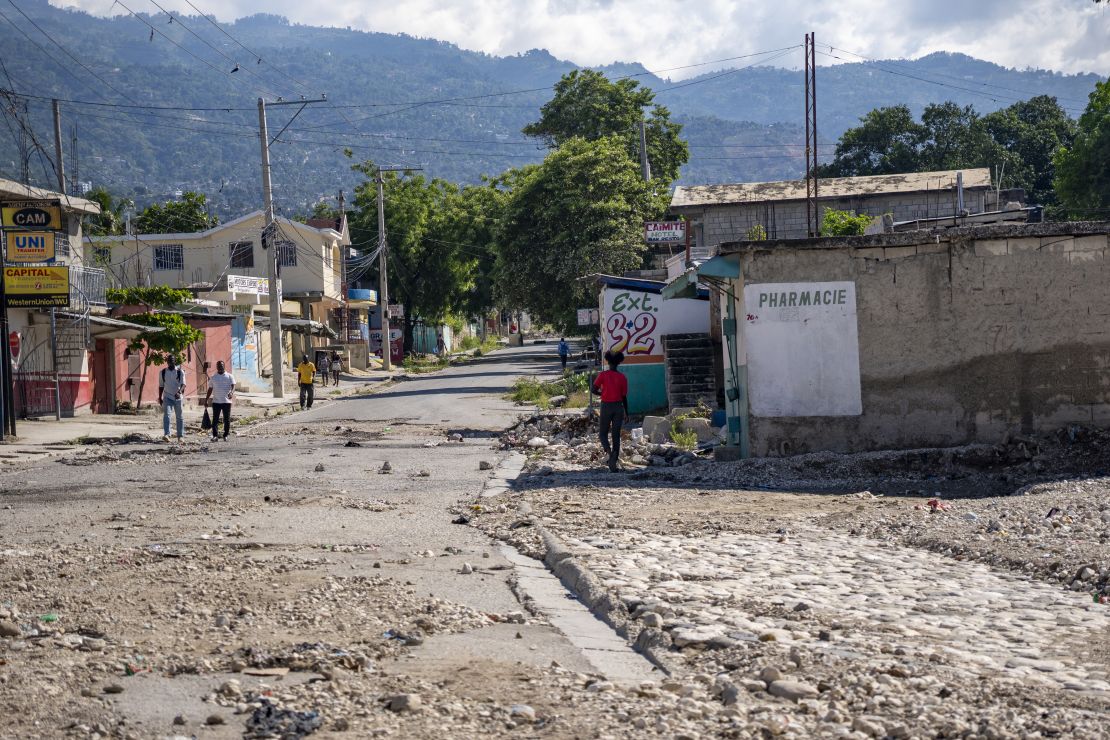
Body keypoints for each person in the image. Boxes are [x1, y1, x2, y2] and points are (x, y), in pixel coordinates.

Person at [594, 350, 629, 473]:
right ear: (619, 362)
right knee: (616, 436)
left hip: (606, 406)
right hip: (618, 407)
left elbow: (593, 389)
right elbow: (624, 397)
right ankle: (615, 456)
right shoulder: (622, 377)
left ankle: (609, 452)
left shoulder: (603, 375)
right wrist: (627, 413)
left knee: (602, 433)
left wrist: (602, 393)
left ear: (608, 362)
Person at [204, 360, 235, 441]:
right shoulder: (213, 378)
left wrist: (231, 392)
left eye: (222, 365)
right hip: (216, 402)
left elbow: (233, 386)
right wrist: (206, 400)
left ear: (224, 366)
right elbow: (210, 389)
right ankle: (215, 436)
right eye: (219, 365)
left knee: (226, 419)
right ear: (217, 367)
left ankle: (225, 435)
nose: (220, 366)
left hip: (226, 402)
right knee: (215, 420)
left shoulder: (229, 376)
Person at [158, 356, 186, 441]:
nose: (170, 362)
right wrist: (160, 397)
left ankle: (180, 436)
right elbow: (161, 386)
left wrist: (179, 392)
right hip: (167, 396)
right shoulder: (163, 372)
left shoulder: (180, 372)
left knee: (179, 416)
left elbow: (183, 384)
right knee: (167, 415)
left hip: (178, 397)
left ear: (175, 361)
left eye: (172, 360)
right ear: (167, 361)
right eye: (169, 360)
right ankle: (167, 435)